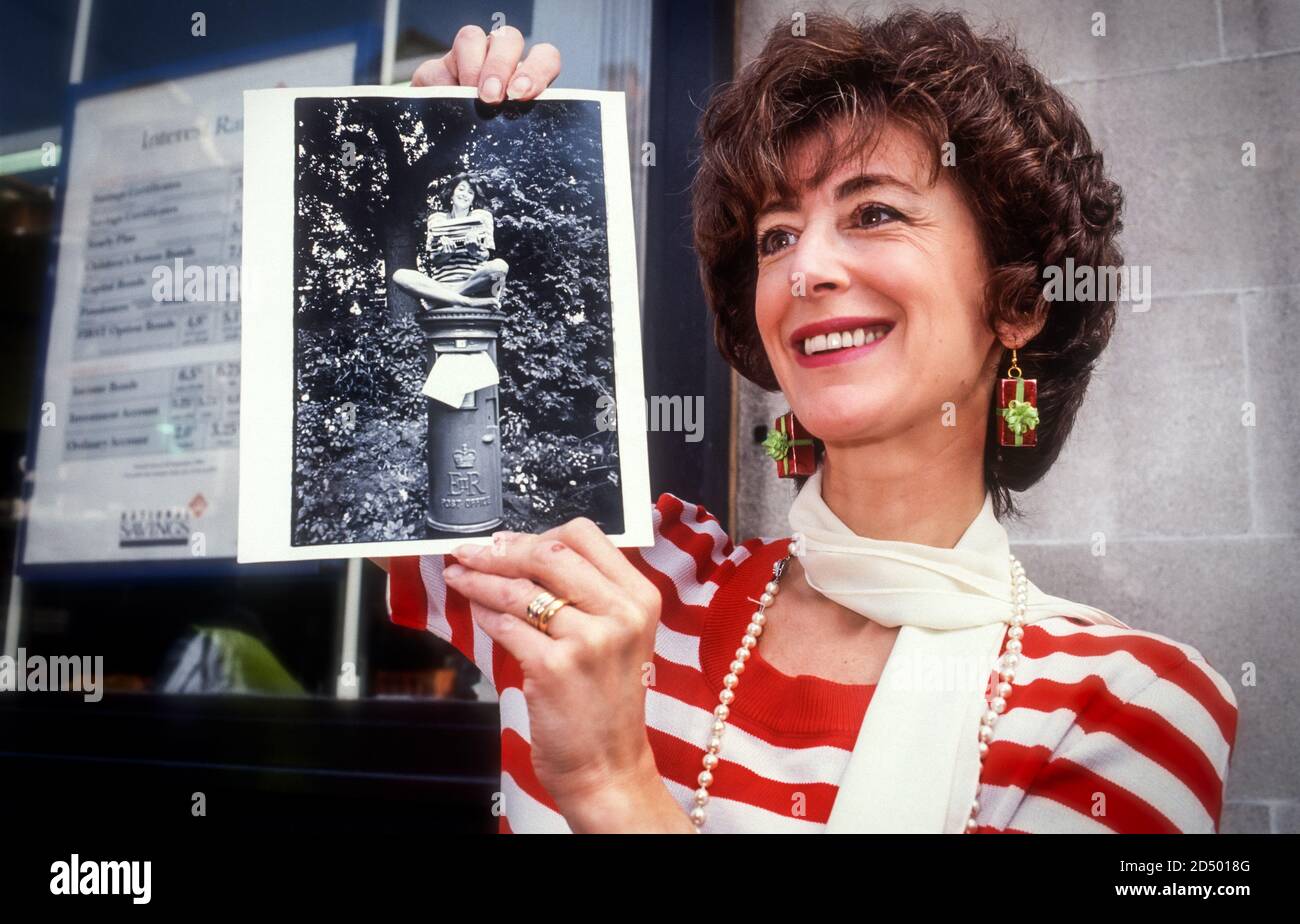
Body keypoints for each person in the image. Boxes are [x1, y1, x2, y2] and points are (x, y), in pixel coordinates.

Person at [374, 15, 1238, 834]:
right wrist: (452, 138)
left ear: (1015, 300)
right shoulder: (621, 573)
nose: (805, 269)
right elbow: (355, 466)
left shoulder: (1123, 705)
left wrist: (614, 787)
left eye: (874, 213)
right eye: (777, 236)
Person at [392, 172, 509, 308]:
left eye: (470, 192)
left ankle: (443, 298)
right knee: (399, 275)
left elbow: (486, 256)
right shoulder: (436, 219)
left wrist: (475, 252)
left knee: (501, 266)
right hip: (441, 284)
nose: (465, 194)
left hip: (474, 284)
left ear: (473, 199)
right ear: (451, 194)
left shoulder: (483, 217)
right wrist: (445, 254)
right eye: (461, 189)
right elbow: (434, 258)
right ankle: (465, 301)